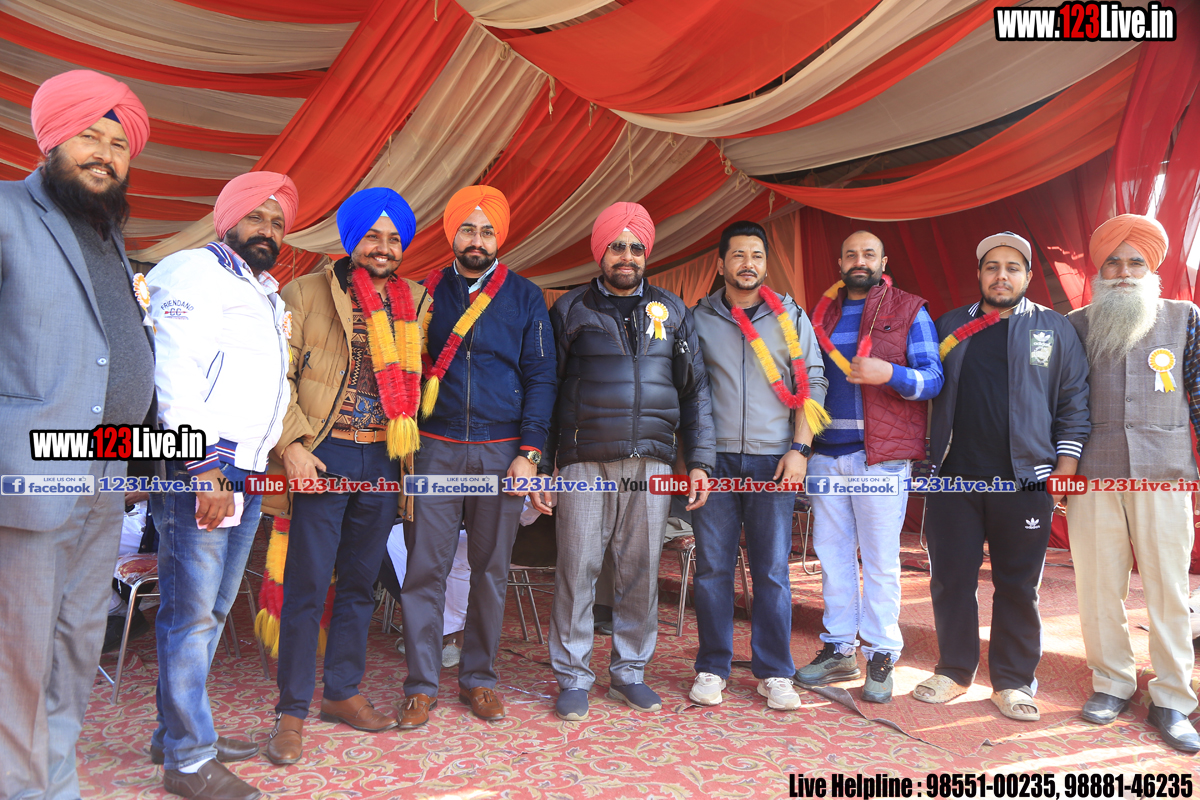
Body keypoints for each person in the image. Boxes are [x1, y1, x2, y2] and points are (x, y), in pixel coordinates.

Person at [0, 70, 153, 800]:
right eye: (90, 135)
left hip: (107, 475)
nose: (105, 154)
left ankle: (54, 781)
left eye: (119, 144)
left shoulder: (109, 235)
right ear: (53, 139)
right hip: (32, 473)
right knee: (20, 649)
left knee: (78, 639)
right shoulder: (7, 213)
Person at [146, 171, 299, 800]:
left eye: (278, 222)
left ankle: (174, 734)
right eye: (256, 217)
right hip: (205, 467)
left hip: (246, 470)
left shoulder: (264, 291)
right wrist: (202, 464)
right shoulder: (192, 271)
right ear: (227, 218)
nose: (268, 230)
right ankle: (189, 759)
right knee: (191, 615)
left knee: (208, 611)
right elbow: (173, 370)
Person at [264, 188, 429, 765]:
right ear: (352, 239)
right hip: (324, 455)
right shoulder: (305, 292)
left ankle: (341, 692)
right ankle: (290, 710)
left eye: (394, 239)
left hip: (384, 457)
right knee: (308, 587)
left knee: (360, 585)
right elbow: (276, 375)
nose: (384, 248)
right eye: (373, 236)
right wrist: (293, 445)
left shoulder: (417, 302)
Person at [545, 201, 715, 722]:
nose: (627, 256)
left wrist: (700, 461)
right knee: (577, 567)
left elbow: (696, 392)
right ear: (600, 252)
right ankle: (574, 677)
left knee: (640, 571)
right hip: (583, 462)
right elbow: (545, 391)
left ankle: (629, 672)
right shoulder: (570, 309)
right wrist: (542, 463)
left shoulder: (673, 310)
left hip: (653, 464)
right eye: (617, 246)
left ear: (646, 254)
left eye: (636, 247)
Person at [398, 185, 556, 729]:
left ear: (499, 238)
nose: (477, 240)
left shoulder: (526, 296)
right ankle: (420, 686)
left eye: (487, 231)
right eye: (468, 229)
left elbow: (542, 378)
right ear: (452, 234)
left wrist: (530, 452)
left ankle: (479, 679)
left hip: (500, 451)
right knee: (425, 569)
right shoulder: (423, 293)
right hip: (435, 447)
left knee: (491, 571)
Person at [917, 231, 1089, 721]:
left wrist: (1065, 472)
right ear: (979, 274)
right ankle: (954, 671)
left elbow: (1074, 402)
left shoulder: (1054, 328)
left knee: (1017, 585)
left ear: (1028, 275)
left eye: (1013, 267)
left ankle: (1013, 682)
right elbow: (925, 389)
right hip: (953, 478)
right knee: (950, 579)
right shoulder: (950, 325)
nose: (1001, 276)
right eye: (992, 266)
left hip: (1026, 479)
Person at [1066, 215, 1200, 753]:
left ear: (1152, 269)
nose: (1123, 272)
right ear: (1099, 271)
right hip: (1093, 476)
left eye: (1135, 262)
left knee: (1168, 590)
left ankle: (1173, 698)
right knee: (1098, 586)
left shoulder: (1185, 318)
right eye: (1112, 263)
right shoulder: (1074, 325)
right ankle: (1111, 683)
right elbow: (1063, 403)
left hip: (1164, 475)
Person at [799, 230, 942, 704]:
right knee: (832, 557)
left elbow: (934, 379)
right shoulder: (822, 314)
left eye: (868, 254)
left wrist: (891, 373)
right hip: (825, 454)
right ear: (840, 263)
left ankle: (882, 653)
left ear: (883, 261)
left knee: (880, 561)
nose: (859, 261)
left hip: (879, 458)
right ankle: (839, 648)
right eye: (851, 254)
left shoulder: (909, 309)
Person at [689, 221, 827, 711]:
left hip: (774, 459)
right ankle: (712, 666)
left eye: (757, 256)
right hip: (715, 459)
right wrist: (695, 458)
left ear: (766, 264)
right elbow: (688, 390)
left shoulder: (790, 316)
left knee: (771, 569)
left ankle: (775, 672)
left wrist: (800, 449)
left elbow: (813, 382)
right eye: (738, 255)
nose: (748, 264)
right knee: (712, 567)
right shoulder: (697, 318)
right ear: (720, 264)